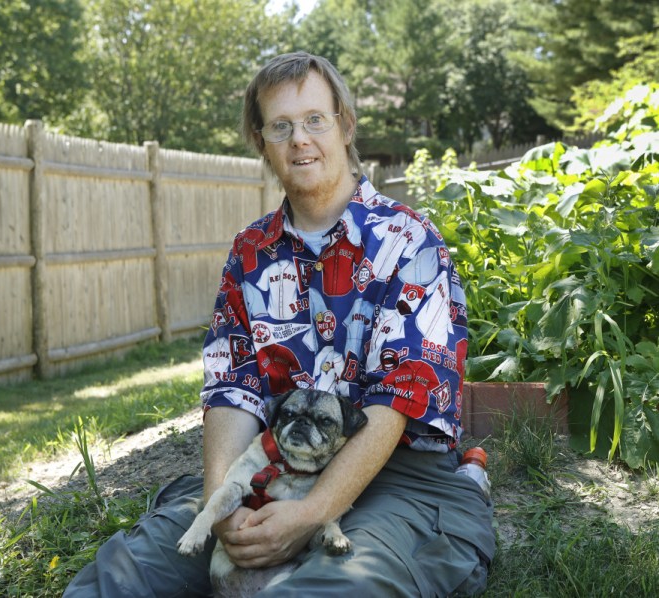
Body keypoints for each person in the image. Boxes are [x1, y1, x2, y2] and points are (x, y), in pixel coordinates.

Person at [63, 51, 495, 597]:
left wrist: (314, 512)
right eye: (281, 126)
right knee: (121, 578)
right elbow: (233, 387)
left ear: (345, 124)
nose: (300, 139)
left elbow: (401, 397)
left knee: (327, 589)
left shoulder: (409, 242)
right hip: (274, 465)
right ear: (261, 141)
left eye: (316, 119)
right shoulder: (250, 253)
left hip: (396, 478)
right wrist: (224, 499)